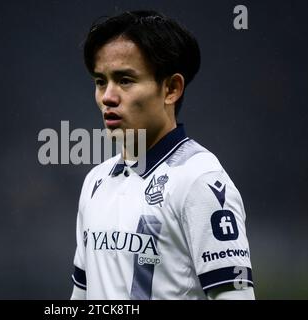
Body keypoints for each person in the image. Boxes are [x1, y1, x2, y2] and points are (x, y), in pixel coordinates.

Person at [70, 10, 255, 300]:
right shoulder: (95, 182)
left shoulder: (200, 181)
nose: (108, 96)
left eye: (125, 80)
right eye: (100, 81)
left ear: (171, 88)